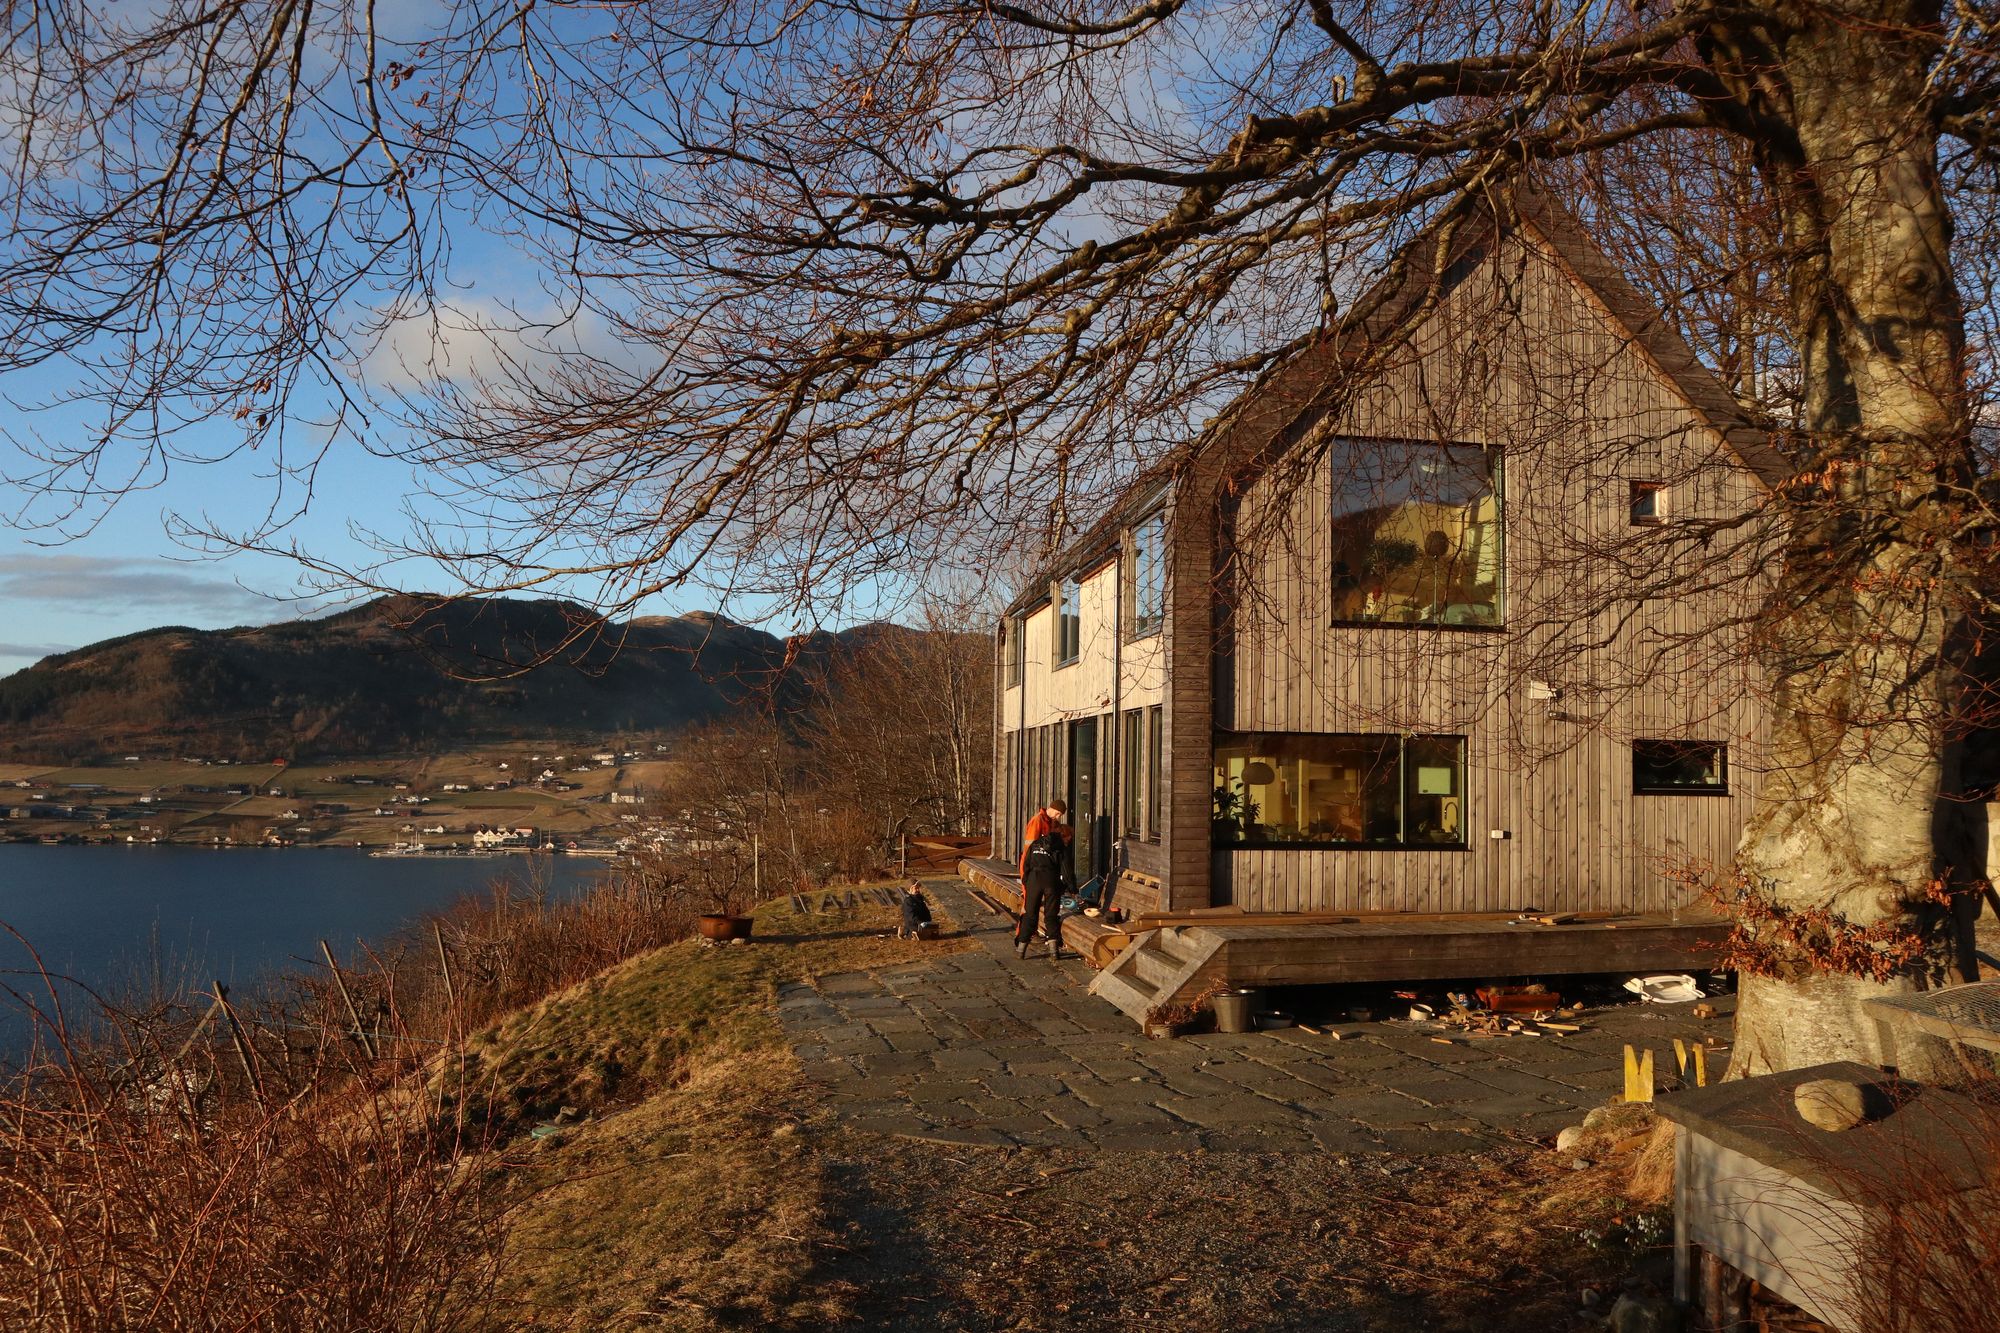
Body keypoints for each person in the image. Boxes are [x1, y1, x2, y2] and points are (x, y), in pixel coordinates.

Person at [1016, 799, 1072, 959]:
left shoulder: (1043, 829)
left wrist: (1026, 878)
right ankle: (1054, 950)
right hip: (1049, 878)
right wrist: (1068, 887)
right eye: (1059, 814)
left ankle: (1021, 948)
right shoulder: (1038, 822)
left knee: (1030, 912)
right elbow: (1066, 869)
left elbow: (1029, 855)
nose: (1059, 817)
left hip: (1034, 876)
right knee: (1050, 915)